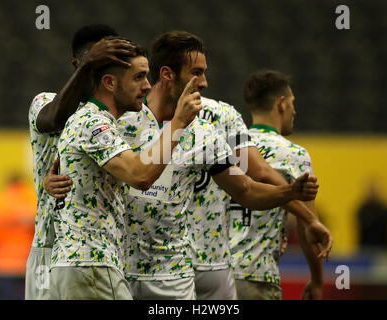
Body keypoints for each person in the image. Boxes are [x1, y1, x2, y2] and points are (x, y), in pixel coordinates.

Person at [45, 31, 330, 300]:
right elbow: (76, 150)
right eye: (197, 73)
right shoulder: (119, 118)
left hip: (174, 275)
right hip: (117, 266)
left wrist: (290, 194)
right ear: (168, 74)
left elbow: (246, 190)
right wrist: (50, 180)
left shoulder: (203, 132)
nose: (204, 82)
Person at [49, 37, 202, 300]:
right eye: (139, 77)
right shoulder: (93, 123)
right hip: (93, 265)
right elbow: (140, 176)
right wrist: (178, 123)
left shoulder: (90, 121)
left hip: (79, 265)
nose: (146, 85)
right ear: (110, 82)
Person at [26, 24, 136, 300]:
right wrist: (89, 65)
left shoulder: (122, 116)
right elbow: (52, 121)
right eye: (94, 63)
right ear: (77, 64)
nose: (101, 71)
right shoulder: (45, 102)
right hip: (50, 248)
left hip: (104, 249)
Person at [229, 69, 325, 300]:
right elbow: (307, 226)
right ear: (281, 104)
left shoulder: (230, 146)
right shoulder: (293, 155)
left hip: (214, 275)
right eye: (292, 102)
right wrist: (318, 280)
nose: (295, 110)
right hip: (257, 277)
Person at [357, 179, 387, 252]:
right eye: (371, 191)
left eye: (374, 190)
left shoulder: (386, 210)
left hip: (383, 250)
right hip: (365, 250)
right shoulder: (361, 210)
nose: (373, 194)